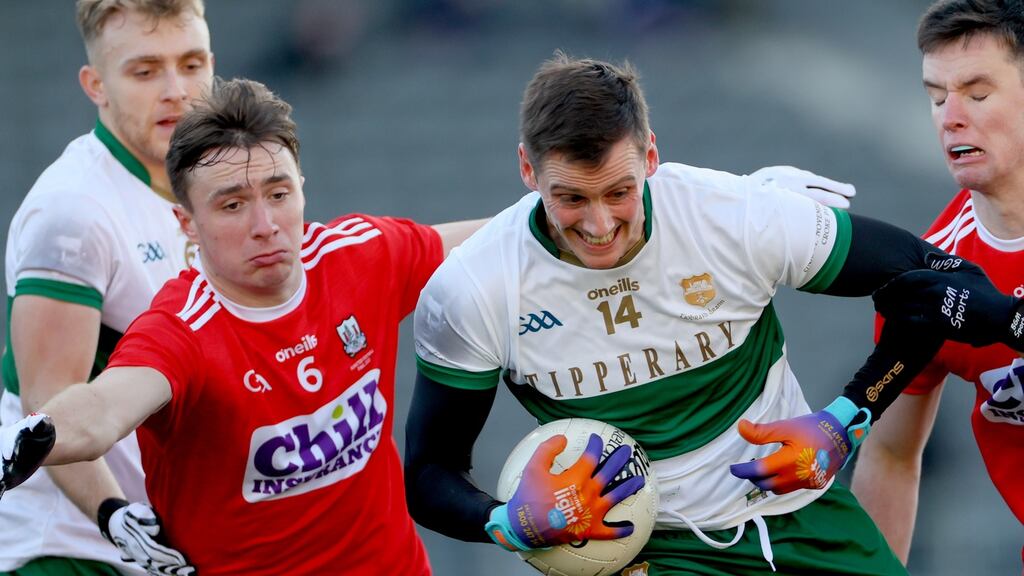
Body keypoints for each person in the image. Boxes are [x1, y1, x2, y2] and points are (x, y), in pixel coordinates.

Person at [400, 53, 1024, 575]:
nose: (598, 225)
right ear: (526, 170)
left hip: (798, 517)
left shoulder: (734, 215)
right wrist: (505, 521)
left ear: (649, 156)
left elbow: (946, 283)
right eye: (570, 199)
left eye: (619, 192)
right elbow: (429, 472)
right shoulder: (474, 289)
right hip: (640, 549)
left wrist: (845, 420)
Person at [0, 77, 486, 575]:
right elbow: (103, 408)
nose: (265, 224)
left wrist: (556, 217)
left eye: (278, 193)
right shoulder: (181, 328)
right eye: (232, 205)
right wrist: (31, 437)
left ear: (302, 188)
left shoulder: (360, 255)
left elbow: (493, 248)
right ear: (186, 223)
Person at [0, 1, 213, 574]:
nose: (176, 90)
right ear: (96, 85)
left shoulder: (216, 189)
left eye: (191, 65)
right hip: (68, 550)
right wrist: (114, 514)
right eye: (145, 72)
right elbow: (45, 407)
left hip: (163, 550)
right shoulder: (74, 211)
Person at [851, 0, 1024, 568]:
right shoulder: (932, 275)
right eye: (935, 95)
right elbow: (892, 455)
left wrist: (1009, 321)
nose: (950, 116)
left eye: (977, 93)